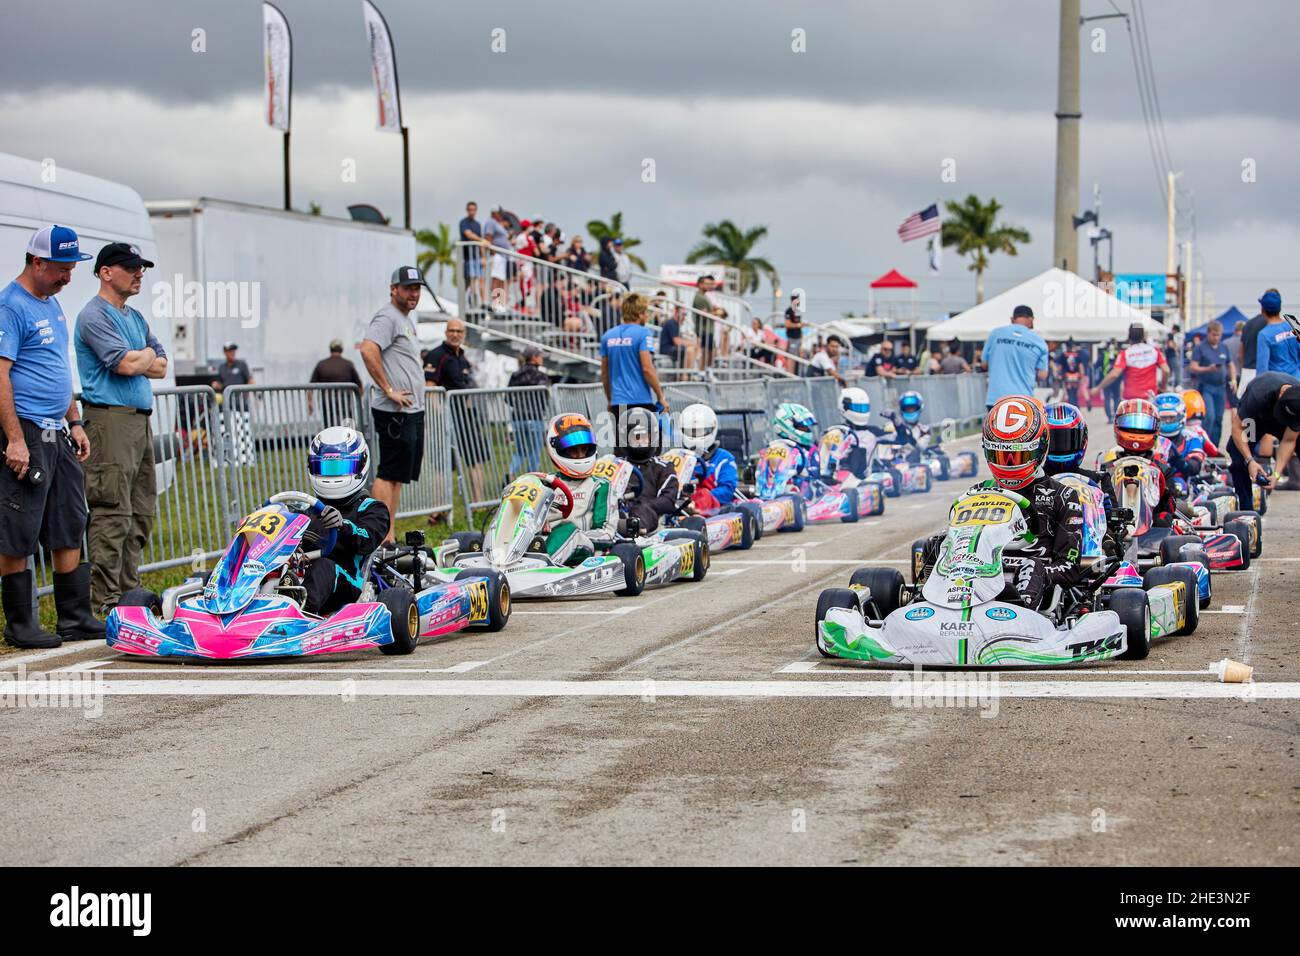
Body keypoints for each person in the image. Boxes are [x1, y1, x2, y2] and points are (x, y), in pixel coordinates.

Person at [0, 225, 102, 648]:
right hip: (25, 429)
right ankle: (20, 624)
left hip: (56, 431)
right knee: (19, 526)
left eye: (71, 268)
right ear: (37, 262)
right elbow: (1, 375)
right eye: (62, 268)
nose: (68, 276)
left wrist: (74, 421)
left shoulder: (52, 304)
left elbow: (57, 370)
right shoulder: (11, 305)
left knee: (69, 520)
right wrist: (14, 440)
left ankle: (74, 617)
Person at [75, 241, 169, 614]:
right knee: (112, 511)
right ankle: (107, 600)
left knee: (141, 511)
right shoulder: (94, 315)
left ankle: (131, 593)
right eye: (131, 268)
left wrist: (141, 357)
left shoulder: (135, 317)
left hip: (138, 419)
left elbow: (160, 366)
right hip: (109, 419)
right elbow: (125, 365)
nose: (139, 274)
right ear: (106, 272)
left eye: (141, 268)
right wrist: (143, 357)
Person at [360, 266, 427, 545]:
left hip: (410, 410)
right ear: (394, 289)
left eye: (417, 288)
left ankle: (389, 535)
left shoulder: (406, 319)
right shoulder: (387, 316)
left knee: (397, 476)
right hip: (394, 412)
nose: (414, 293)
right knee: (387, 474)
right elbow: (367, 349)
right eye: (408, 288)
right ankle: (379, 536)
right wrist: (388, 389)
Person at [298, 427, 389, 616]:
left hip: (348, 583)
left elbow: (367, 540)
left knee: (323, 565)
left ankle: (299, 617)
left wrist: (342, 526)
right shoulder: (307, 511)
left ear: (360, 466)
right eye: (325, 468)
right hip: (302, 576)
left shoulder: (372, 509)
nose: (332, 476)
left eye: (341, 468)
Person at [540, 413, 618, 565]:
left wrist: (577, 536)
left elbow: (607, 534)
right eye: (574, 451)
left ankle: (541, 567)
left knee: (567, 531)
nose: (581, 456)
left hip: (585, 547)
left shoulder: (600, 485)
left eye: (584, 450)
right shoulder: (544, 483)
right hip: (543, 541)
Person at [425, 317, 486, 504]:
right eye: (452, 330)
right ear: (446, 333)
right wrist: (441, 415)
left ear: (464, 334)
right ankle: (439, 509)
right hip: (445, 419)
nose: (455, 334)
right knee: (442, 465)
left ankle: (479, 503)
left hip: (466, 419)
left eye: (459, 331)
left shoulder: (463, 358)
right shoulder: (436, 355)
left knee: (475, 459)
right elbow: (430, 388)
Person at [1228, 372, 1300, 507]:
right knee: (1238, 454)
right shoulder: (1258, 395)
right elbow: (1237, 429)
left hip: (1282, 426)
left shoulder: (1298, 401)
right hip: (1256, 421)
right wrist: (1250, 461)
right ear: (1282, 393)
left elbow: (1289, 441)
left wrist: (1277, 474)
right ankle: (1246, 509)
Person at [600, 292, 669, 426]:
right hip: (640, 401)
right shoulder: (643, 333)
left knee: (622, 446)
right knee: (648, 445)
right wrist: (660, 396)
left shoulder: (608, 336)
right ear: (639, 313)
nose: (648, 316)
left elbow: (604, 373)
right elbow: (647, 369)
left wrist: (610, 399)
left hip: (618, 403)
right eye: (646, 312)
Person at [616, 406, 679, 535]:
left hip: (650, 516)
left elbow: (668, 500)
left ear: (653, 437)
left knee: (641, 509)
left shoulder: (663, 467)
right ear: (625, 439)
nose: (641, 442)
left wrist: (646, 506)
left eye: (644, 437)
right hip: (620, 511)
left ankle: (634, 531)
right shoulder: (617, 465)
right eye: (636, 437)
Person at [981, 304, 1049, 407]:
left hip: (996, 399)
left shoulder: (996, 334)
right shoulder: (1039, 342)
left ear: (1012, 319)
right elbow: (1042, 375)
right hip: (1023, 401)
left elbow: (984, 364)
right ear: (1030, 319)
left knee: (995, 423)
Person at [678, 403, 738, 514]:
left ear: (711, 430)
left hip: (714, 507)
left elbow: (727, 490)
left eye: (700, 432)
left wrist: (699, 499)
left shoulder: (724, 459)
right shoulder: (678, 457)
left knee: (704, 493)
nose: (695, 436)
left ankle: (693, 510)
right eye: (691, 432)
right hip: (681, 501)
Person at [1186, 320, 1235, 446]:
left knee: (1219, 418)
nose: (1216, 338)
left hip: (1221, 387)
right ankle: (1205, 445)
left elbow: (1230, 365)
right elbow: (1193, 367)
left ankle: (1215, 446)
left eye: (1218, 335)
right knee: (1210, 417)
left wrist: (1233, 379)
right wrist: (1208, 368)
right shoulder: (1200, 348)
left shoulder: (1223, 347)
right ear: (1208, 334)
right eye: (1214, 335)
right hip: (1206, 386)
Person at [1098, 323, 1168, 401]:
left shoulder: (1125, 354)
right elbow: (1166, 370)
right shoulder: (1155, 351)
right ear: (1143, 336)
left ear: (1129, 337)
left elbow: (1114, 374)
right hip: (1149, 398)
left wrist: (1098, 388)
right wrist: (1163, 387)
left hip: (1130, 400)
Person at [507, 346, 550, 473]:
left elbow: (507, 398)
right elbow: (545, 399)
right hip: (535, 418)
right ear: (534, 358)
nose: (542, 358)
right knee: (534, 453)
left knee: (520, 452)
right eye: (540, 356)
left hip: (517, 418)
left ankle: (510, 474)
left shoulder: (515, 375)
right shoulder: (541, 376)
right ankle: (533, 480)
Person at [308, 338, 363, 428]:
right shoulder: (348, 364)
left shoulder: (321, 364)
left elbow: (311, 387)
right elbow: (359, 386)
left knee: (330, 428)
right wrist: (359, 400)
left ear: (330, 349)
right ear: (341, 350)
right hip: (345, 403)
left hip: (327, 403)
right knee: (347, 429)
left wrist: (310, 403)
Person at [1237, 289, 1280, 395]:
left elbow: (1240, 355)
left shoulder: (1248, 325)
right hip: (1267, 375)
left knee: (1244, 409)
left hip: (1247, 373)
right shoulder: (1276, 327)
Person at [771, 402, 819, 491]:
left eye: (806, 427)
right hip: (787, 497)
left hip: (812, 496)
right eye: (802, 427)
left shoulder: (810, 449)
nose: (807, 430)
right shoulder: (777, 449)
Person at [1255, 292, 1299, 376]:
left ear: (1262, 310)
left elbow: (1262, 369)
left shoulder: (1264, 335)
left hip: (1279, 384)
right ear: (1279, 308)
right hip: (1297, 380)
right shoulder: (1292, 326)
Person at [483, 209, 512, 311]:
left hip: (502, 256)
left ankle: (499, 303)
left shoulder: (498, 224)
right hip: (497, 255)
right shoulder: (491, 222)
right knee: (496, 279)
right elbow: (488, 236)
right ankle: (495, 303)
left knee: (500, 280)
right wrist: (492, 251)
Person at [458, 201, 485, 307]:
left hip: (477, 257)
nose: (472, 212)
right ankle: (472, 302)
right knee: (472, 280)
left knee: (481, 279)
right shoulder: (463, 222)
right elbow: (468, 235)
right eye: (470, 210)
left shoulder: (478, 225)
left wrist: (483, 257)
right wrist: (481, 240)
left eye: (474, 210)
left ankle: (483, 303)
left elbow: (480, 243)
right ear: (467, 210)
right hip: (468, 257)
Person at [783, 293, 805, 358]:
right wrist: (798, 325)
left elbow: (800, 324)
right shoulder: (789, 311)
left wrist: (801, 336)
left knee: (798, 356)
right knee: (791, 357)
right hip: (792, 337)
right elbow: (787, 324)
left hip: (798, 338)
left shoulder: (798, 311)